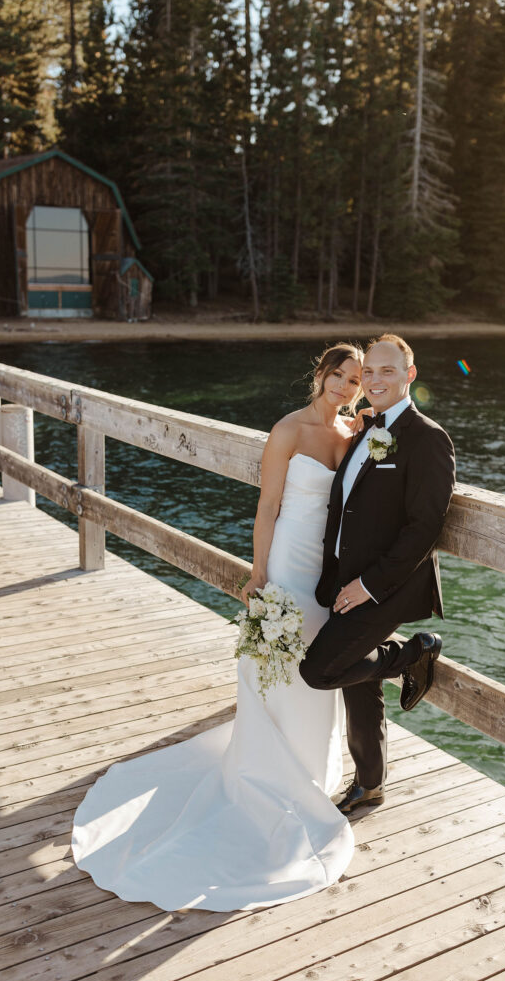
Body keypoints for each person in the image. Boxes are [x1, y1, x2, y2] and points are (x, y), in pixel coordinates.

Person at [71, 342, 366, 911]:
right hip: (287, 565)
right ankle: (266, 772)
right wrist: (259, 573)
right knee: (273, 667)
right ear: (322, 374)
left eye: (355, 380)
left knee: (314, 667)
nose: (346, 386)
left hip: (327, 576)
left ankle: (307, 768)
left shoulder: (354, 435)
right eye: (340, 375)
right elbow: (267, 506)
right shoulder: (287, 431)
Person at [299, 333, 456, 815]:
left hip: (387, 587)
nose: (374, 379)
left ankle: (412, 654)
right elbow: (345, 509)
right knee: (356, 680)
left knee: (319, 669)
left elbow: (424, 527)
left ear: (410, 376)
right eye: (369, 372)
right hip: (344, 581)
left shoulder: (428, 438)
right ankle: (370, 783)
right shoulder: (367, 427)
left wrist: (367, 586)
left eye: (388, 371)